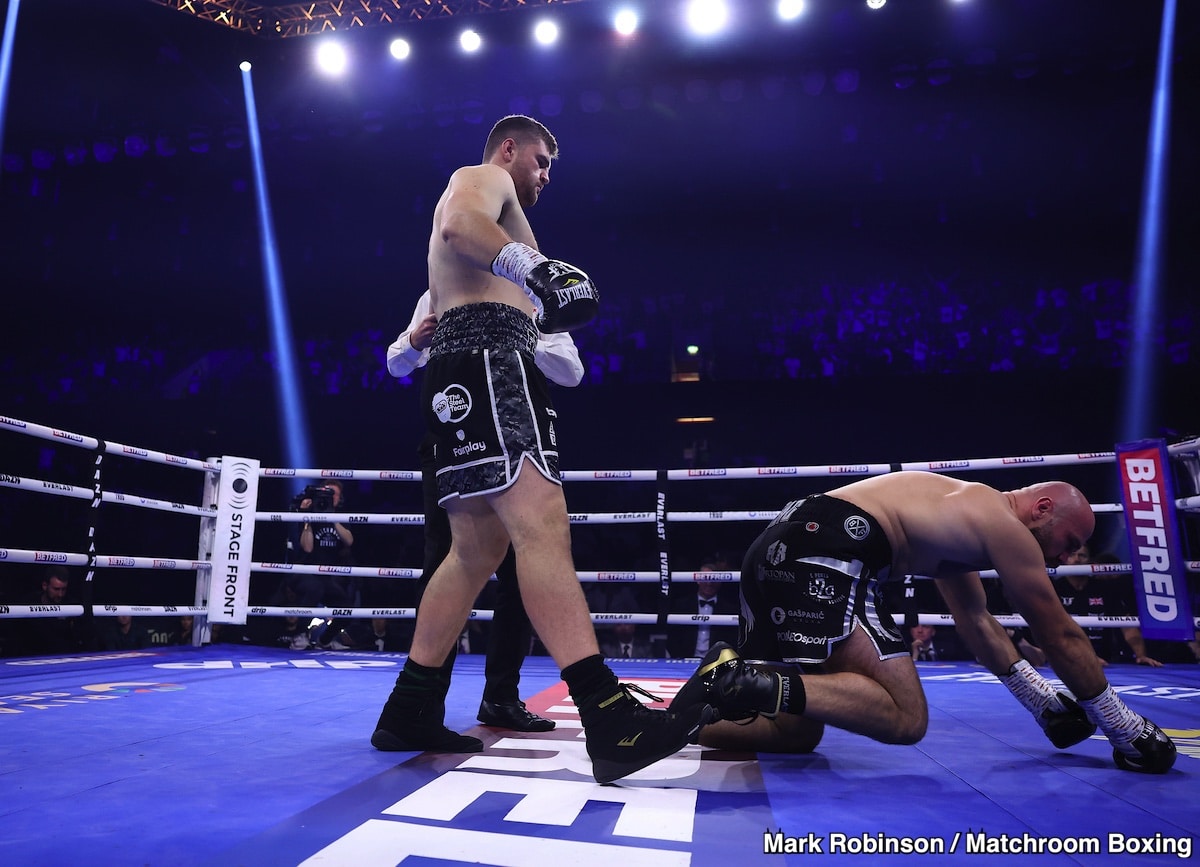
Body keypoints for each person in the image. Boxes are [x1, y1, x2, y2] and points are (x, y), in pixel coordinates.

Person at [371, 114, 708, 784]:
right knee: (543, 528)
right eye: (543, 161)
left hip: (470, 368)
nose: (546, 176)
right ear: (510, 148)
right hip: (492, 364)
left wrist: (539, 295)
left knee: (475, 552)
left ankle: (409, 706)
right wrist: (534, 266)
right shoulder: (483, 177)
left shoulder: (504, 216)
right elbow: (457, 226)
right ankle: (609, 714)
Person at [672, 472, 1176, 774]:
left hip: (782, 544)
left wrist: (1043, 703)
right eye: (1068, 540)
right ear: (1042, 508)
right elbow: (1059, 633)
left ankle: (690, 715)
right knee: (906, 717)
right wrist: (1123, 729)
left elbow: (977, 623)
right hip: (829, 547)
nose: (1067, 557)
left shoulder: (963, 525)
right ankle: (745, 678)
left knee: (795, 733)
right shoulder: (1004, 524)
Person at [387, 287, 583, 731]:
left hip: (515, 441)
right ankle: (423, 704)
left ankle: (501, 697)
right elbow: (396, 363)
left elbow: (572, 372)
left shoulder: (534, 298)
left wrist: (526, 333)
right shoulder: (439, 292)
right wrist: (415, 342)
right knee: (444, 563)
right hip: (453, 436)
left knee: (520, 573)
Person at [667, 558, 740, 659]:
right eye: (705, 578)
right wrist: (680, 658)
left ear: (720, 582)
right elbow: (673, 636)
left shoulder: (729, 608)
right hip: (685, 659)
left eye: (713, 579)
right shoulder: (682, 605)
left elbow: (732, 640)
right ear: (697, 580)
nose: (709, 583)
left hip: (717, 662)